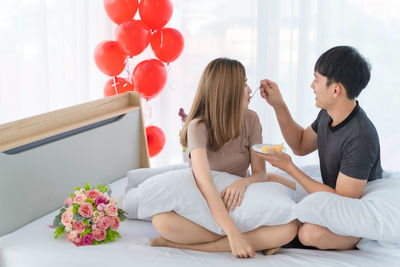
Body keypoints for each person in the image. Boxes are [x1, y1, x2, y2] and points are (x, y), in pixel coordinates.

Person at [149, 58, 298, 258]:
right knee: (161, 221)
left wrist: (242, 183)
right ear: (227, 91)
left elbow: (260, 173)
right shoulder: (198, 127)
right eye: (243, 84)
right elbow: (206, 185)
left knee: (291, 220)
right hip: (207, 197)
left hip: (239, 196)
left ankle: (186, 245)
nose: (248, 90)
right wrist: (233, 234)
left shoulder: (251, 119)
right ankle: (253, 239)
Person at [256, 46, 383, 250]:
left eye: (316, 79)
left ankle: (363, 238)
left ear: (335, 90)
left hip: (353, 207)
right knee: (268, 177)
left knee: (310, 233)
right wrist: (278, 105)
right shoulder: (328, 114)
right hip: (333, 194)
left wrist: (290, 168)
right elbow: (299, 145)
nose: (311, 85)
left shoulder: (360, 137)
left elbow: (343, 200)